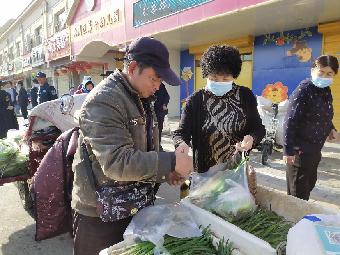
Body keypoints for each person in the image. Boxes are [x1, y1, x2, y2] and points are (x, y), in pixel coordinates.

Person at [71, 37, 193, 255]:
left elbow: (146, 151)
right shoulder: (104, 101)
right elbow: (117, 162)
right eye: (153, 78)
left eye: (160, 81)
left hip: (134, 205)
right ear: (134, 67)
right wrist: (173, 160)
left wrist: (168, 171)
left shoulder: (142, 98)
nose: (157, 86)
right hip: (101, 214)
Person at [173, 45, 265, 173]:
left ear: (234, 76)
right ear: (206, 74)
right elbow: (181, 133)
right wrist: (181, 143)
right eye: (214, 78)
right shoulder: (196, 100)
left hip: (236, 168)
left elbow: (258, 128)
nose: (220, 82)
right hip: (204, 171)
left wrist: (252, 138)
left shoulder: (245, 95)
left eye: (225, 78)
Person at [283, 55, 339, 201]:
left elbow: (325, 114)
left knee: (309, 185)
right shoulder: (304, 90)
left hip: (314, 149)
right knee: (298, 194)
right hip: (299, 152)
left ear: (334, 75)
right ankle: (293, 220)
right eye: (321, 72)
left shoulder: (326, 91)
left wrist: (332, 129)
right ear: (313, 70)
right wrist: (288, 151)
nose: (324, 76)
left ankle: (299, 216)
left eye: (329, 73)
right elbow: (290, 121)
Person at [154, 82, 170, 150]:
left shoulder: (161, 85)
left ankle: (158, 146)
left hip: (160, 112)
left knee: (159, 130)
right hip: (150, 111)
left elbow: (167, 96)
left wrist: (164, 104)